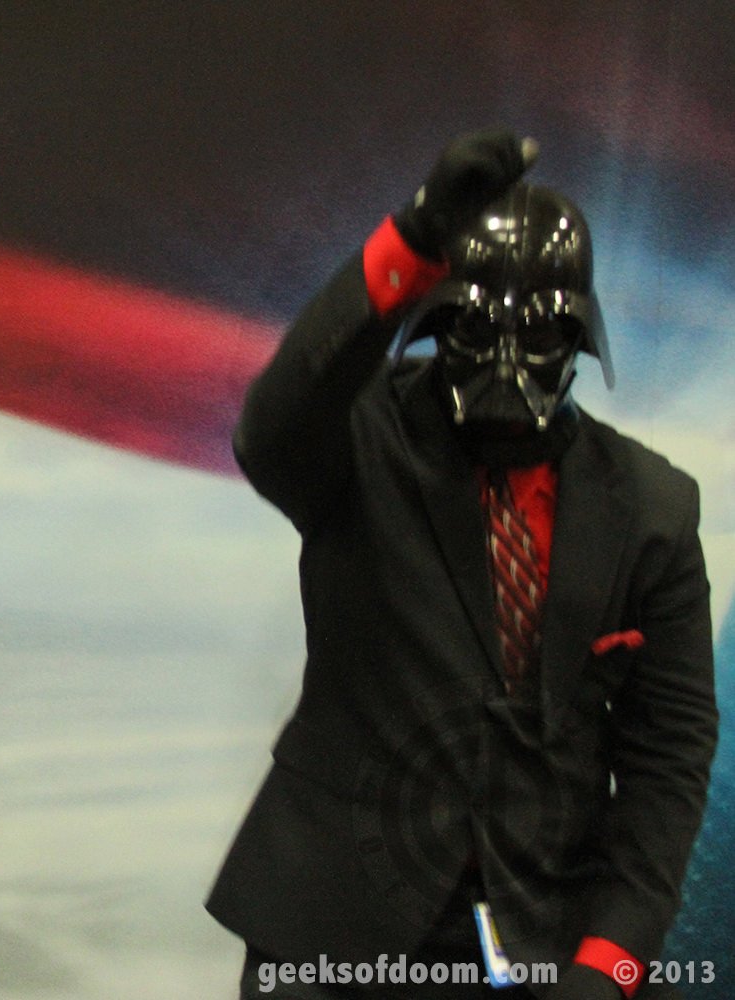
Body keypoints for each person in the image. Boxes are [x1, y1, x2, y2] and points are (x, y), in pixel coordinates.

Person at [205, 131, 718, 999]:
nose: (508, 361)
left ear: (579, 339)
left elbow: (669, 755)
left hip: (550, 929)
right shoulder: (360, 439)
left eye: (540, 331)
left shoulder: (653, 509)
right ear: (439, 326)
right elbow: (271, 429)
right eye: (478, 328)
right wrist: (411, 238)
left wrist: (613, 962)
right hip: (336, 923)